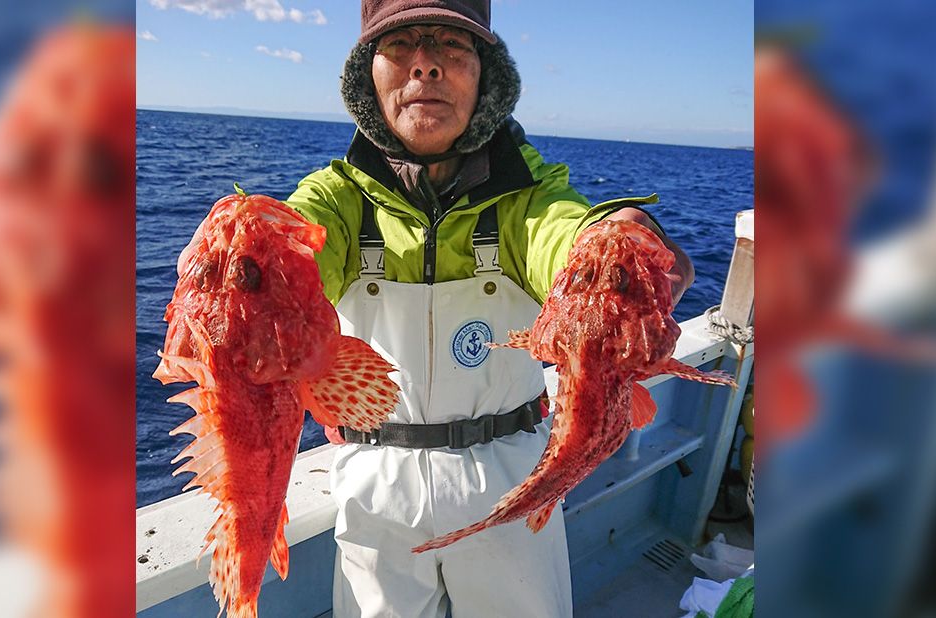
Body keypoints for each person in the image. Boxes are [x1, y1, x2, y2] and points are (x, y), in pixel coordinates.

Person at [285, 1, 694, 616]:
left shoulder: (528, 196)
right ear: (367, 74)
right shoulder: (334, 199)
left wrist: (621, 237)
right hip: (374, 488)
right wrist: (254, 255)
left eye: (453, 46)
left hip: (515, 475)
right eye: (402, 45)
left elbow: (566, 230)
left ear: (486, 76)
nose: (426, 66)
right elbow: (292, 254)